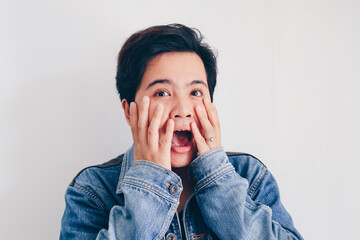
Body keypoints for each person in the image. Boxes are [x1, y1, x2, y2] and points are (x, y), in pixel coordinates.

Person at [60, 24, 303, 240]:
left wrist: (216, 176)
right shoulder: (92, 189)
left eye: (195, 92)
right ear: (129, 111)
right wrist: (149, 180)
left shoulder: (250, 176)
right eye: (162, 93)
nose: (183, 110)